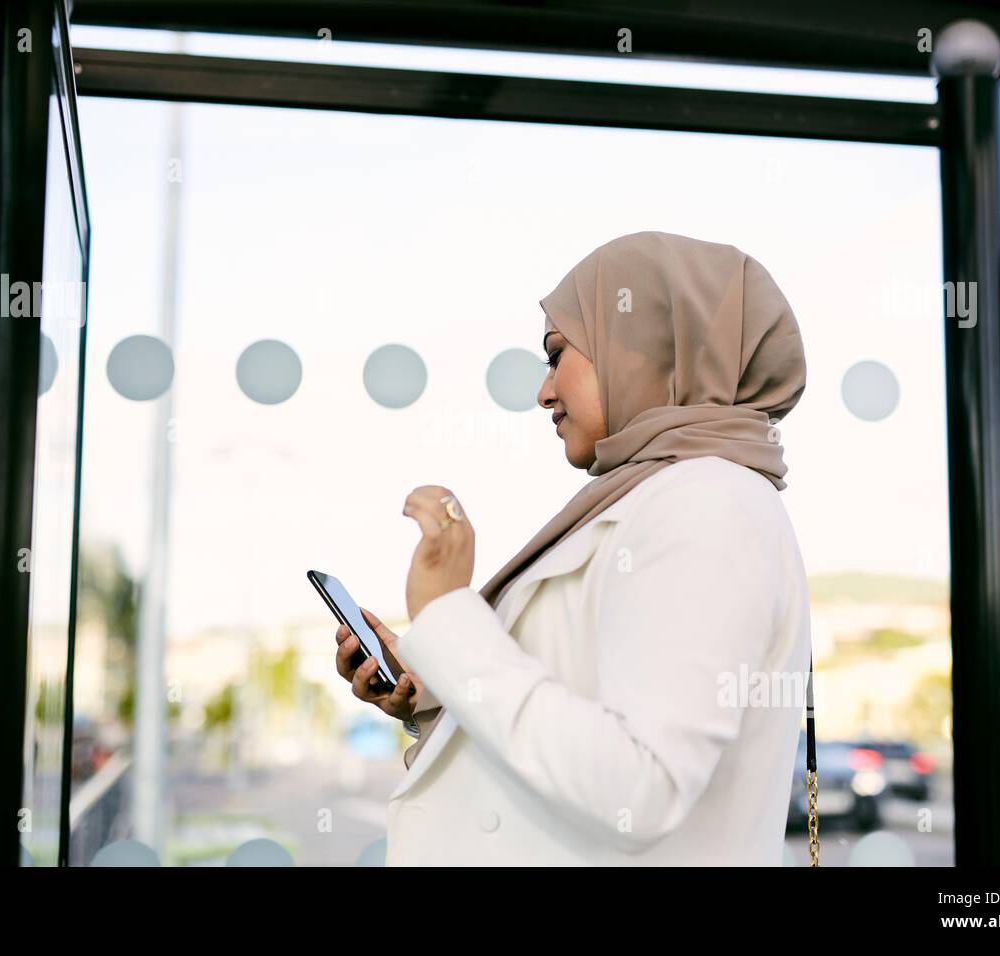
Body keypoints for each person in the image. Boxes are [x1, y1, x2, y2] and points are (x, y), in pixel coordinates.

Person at [333, 231, 811, 865]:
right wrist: (431, 691)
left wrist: (449, 618)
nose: (544, 391)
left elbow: (642, 788)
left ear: (643, 345)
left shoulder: (708, 502)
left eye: (557, 355)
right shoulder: (665, 495)